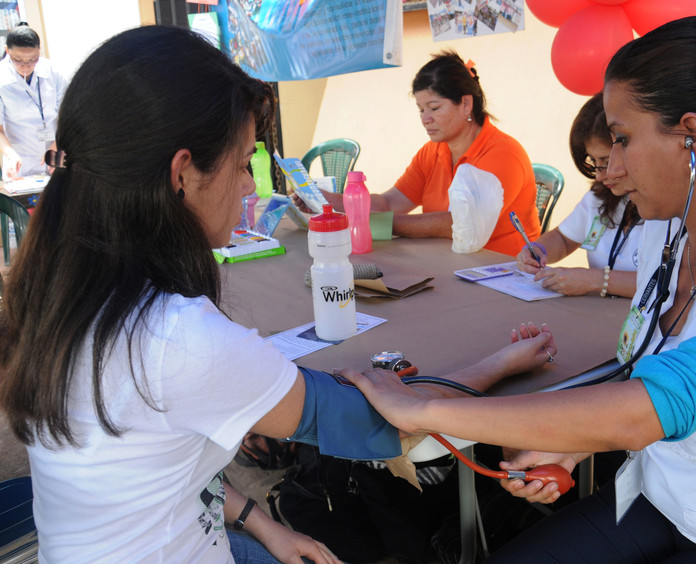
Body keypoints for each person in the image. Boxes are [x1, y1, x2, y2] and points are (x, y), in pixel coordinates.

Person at [0, 26, 556, 563]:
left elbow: (161, 463)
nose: (248, 185)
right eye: (244, 163)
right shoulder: (180, 336)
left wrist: (261, 524)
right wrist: (498, 364)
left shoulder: (60, 292)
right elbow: (382, 422)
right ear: (182, 174)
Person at [343, 15, 696, 563]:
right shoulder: (670, 235)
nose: (610, 167)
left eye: (623, 139)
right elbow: (643, 377)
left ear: (692, 137)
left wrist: (422, 411)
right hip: (659, 495)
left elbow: (648, 408)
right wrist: (569, 448)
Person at [295, 50, 541, 256]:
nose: (425, 119)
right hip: (448, 263)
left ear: (466, 104)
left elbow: (459, 224)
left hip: (504, 273)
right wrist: (328, 201)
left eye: (434, 108)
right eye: (420, 109)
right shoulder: (432, 152)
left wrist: (381, 223)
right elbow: (390, 202)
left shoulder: (504, 154)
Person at [517, 92, 642, 297]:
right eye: (594, 163)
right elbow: (564, 238)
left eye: (606, 161)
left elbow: (668, 284)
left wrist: (594, 280)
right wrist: (538, 250)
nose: (601, 175)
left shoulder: (666, 205)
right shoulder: (601, 196)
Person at [0, 22, 67, 178]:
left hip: (56, 147)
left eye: (32, 59)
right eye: (18, 60)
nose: (26, 66)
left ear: (39, 51)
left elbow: (68, 114)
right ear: (7, 51)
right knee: (24, 200)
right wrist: (10, 154)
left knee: (60, 195)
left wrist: (57, 145)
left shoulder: (51, 71)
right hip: (19, 156)